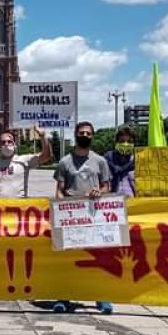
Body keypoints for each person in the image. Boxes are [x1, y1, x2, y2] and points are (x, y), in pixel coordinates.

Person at [53, 121, 112, 314]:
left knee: (96, 259)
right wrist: (62, 211)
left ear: (92, 136)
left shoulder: (100, 161)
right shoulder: (64, 162)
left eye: (88, 133)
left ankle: (101, 297)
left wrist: (100, 192)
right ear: (76, 134)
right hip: (71, 216)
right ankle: (63, 296)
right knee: (68, 260)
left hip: (94, 215)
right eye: (81, 132)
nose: (85, 135)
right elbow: (60, 191)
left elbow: (106, 186)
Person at [0, 125, 52, 199]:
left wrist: (42, 136)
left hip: (19, 208)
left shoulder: (24, 160)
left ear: (14, 145)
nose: (6, 144)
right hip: (0, 208)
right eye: (3, 142)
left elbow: (46, 156)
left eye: (9, 142)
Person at [103, 125, 137, 196]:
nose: (125, 144)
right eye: (122, 141)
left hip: (133, 203)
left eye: (129, 141)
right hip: (112, 203)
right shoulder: (107, 159)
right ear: (116, 142)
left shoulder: (137, 161)